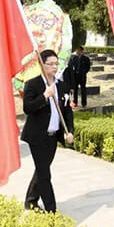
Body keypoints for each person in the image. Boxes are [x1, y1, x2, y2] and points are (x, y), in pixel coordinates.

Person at [21, 49, 74, 213]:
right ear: (41, 65)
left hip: (53, 137)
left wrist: (69, 131)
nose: (54, 67)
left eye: (56, 63)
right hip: (37, 136)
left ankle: (30, 200)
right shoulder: (33, 84)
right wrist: (44, 96)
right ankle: (52, 211)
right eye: (50, 64)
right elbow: (28, 108)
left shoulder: (61, 85)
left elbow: (67, 112)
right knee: (45, 174)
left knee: (41, 170)